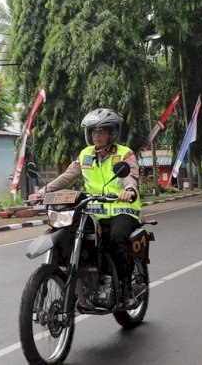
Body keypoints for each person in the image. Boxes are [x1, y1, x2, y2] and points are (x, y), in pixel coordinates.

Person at [29, 108, 141, 308]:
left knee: (116, 237)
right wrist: (42, 192)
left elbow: (129, 177)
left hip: (121, 208)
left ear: (112, 133)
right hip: (92, 211)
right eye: (92, 131)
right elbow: (67, 176)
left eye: (101, 130)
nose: (96, 135)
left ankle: (125, 290)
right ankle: (79, 282)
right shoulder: (85, 155)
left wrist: (129, 190)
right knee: (68, 235)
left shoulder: (124, 154)